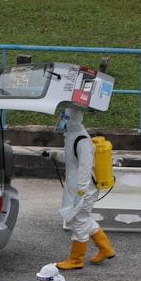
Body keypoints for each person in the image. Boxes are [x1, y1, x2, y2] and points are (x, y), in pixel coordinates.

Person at [43, 108, 115, 270]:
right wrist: (53, 154)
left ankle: (76, 260)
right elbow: (71, 159)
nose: (61, 122)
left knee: (79, 221)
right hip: (76, 186)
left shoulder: (82, 141)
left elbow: (84, 168)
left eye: (63, 118)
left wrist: (81, 193)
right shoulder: (72, 137)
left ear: (70, 119)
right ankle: (105, 249)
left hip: (84, 188)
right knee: (82, 218)